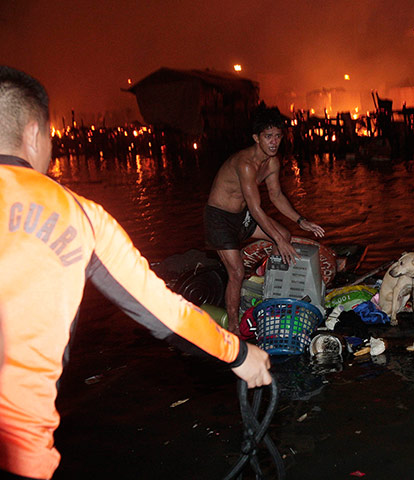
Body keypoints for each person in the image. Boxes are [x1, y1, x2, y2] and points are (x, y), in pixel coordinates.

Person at [0, 66, 272, 480]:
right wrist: (237, 353)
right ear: (35, 134)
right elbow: (163, 309)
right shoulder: (77, 215)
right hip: (17, 453)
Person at [204, 105, 325, 334]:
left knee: (286, 235)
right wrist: (278, 240)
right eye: (268, 137)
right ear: (256, 138)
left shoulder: (272, 162)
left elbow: (277, 196)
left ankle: (268, 287)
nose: (274, 142)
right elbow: (256, 207)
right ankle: (233, 329)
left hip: (242, 216)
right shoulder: (245, 164)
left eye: (278, 136)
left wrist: (302, 221)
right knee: (237, 271)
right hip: (220, 220)